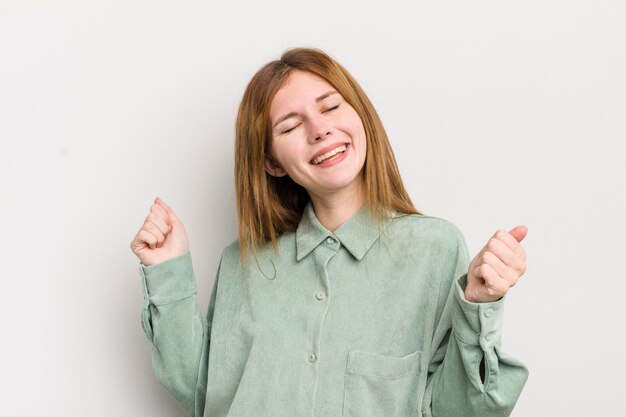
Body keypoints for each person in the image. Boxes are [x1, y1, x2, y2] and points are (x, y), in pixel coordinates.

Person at [129, 47, 529, 417]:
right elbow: (203, 393)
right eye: (290, 126)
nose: (319, 130)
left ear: (360, 117)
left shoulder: (435, 249)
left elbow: (457, 411)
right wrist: (168, 270)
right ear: (272, 162)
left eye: (331, 107)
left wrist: (478, 303)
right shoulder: (243, 264)